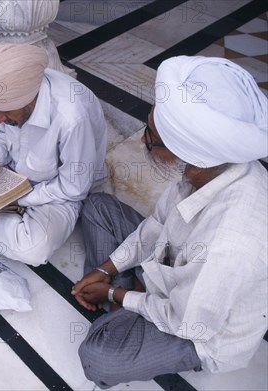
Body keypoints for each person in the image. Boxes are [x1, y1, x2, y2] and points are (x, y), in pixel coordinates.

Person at [73, 56, 268, 388]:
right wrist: (106, 269)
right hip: (168, 271)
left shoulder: (232, 242)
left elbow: (186, 322)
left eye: (150, 136)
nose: (142, 140)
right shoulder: (206, 167)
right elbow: (157, 225)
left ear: (187, 152)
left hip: (199, 330)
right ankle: (127, 301)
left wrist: (115, 293)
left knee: (98, 356)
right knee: (97, 207)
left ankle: (121, 306)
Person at [0, 43, 108, 266]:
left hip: (58, 193)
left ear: (28, 99)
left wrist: (15, 198)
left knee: (32, 249)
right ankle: (0, 211)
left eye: (4, 112)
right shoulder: (14, 94)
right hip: (14, 171)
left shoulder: (71, 118)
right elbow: (2, 135)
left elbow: (73, 188)